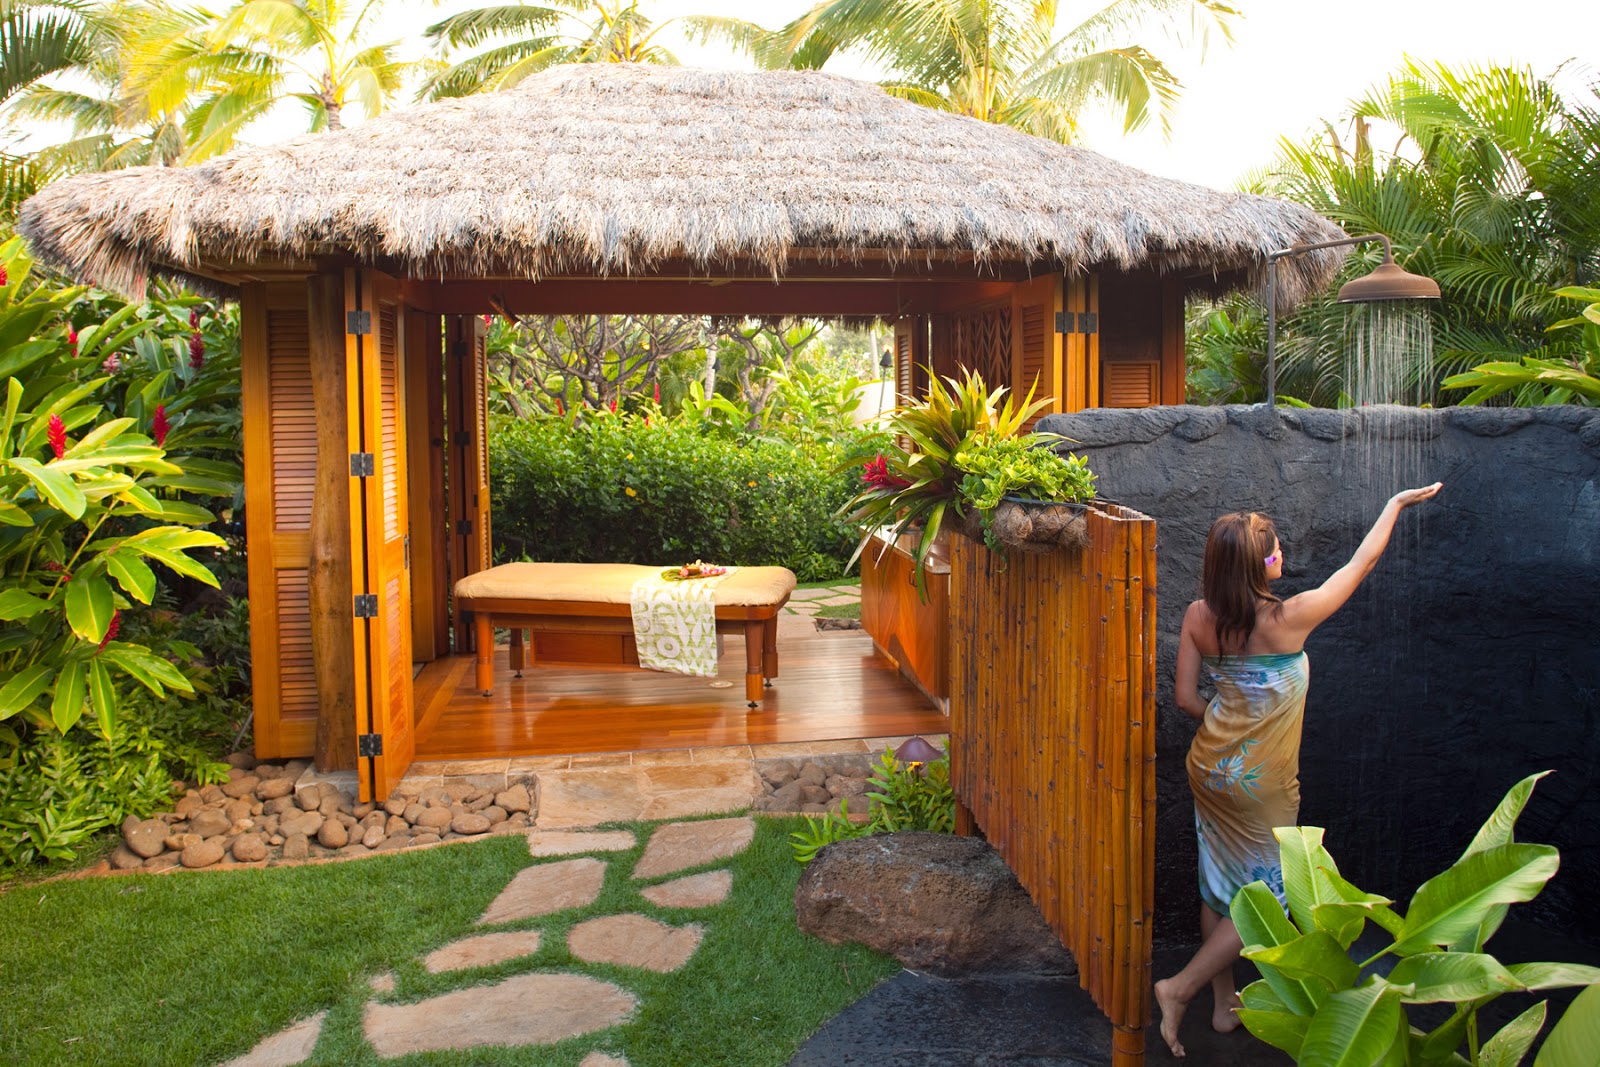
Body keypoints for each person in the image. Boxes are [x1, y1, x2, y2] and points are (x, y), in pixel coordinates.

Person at [1153, 483, 1443, 1058]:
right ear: (1261, 564)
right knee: (1270, 893)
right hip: (1261, 785)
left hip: (1209, 769)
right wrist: (1392, 506)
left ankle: (1223, 1006)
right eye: (1275, 547)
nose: (1281, 553)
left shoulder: (1196, 616)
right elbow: (1361, 562)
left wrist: (1232, 718)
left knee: (1219, 885)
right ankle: (1179, 987)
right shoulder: (1290, 618)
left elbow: (1186, 698)